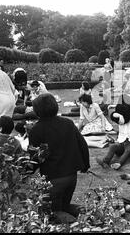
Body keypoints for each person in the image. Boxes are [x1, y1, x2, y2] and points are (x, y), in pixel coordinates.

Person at [29, 93, 90, 222]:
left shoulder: (36, 130)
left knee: (52, 212)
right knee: (63, 206)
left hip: (53, 179)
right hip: (71, 176)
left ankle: (79, 224)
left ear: (37, 110)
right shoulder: (67, 123)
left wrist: (25, 171)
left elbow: (35, 158)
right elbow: (83, 145)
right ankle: (89, 213)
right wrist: (86, 165)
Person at [96, 103, 130, 170]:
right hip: (121, 144)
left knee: (128, 149)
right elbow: (112, 115)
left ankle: (119, 163)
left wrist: (126, 109)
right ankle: (105, 162)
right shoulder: (120, 120)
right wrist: (120, 115)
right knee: (113, 146)